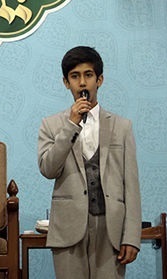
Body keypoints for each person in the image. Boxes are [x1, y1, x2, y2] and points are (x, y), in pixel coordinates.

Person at [37, 46, 141, 278]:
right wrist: (71, 125)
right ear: (66, 83)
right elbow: (48, 169)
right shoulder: (51, 125)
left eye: (88, 75)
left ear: (99, 80)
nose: (82, 82)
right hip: (68, 228)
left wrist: (132, 236)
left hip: (111, 228)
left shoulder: (122, 127)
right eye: (75, 76)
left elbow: (131, 184)